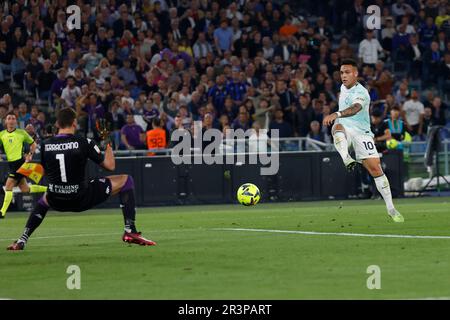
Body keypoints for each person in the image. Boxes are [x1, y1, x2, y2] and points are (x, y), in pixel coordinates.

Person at [7, 108, 156, 250]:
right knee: (126, 180)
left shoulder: (45, 145)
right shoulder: (84, 142)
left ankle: (22, 239)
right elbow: (110, 166)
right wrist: (107, 140)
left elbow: (38, 173)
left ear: (57, 124)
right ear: (74, 123)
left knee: (45, 198)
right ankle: (130, 230)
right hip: (81, 197)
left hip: (57, 200)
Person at [323, 59, 404, 222]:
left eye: (347, 72)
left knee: (376, 169)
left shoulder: (362, 93)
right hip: (346, 128)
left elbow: (355, 109)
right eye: (341, 73)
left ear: (355, 74)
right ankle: (346, 158)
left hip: (362, 133)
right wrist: (338, 118)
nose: (343, 76)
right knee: (337, 128)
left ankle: (391, 209)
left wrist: (337, 114)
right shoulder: (342, 87)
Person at [0, 112, 48, 218]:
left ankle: (2, 212)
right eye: (9, 118)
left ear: (16, 122)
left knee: (8, 186)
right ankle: (48, 189)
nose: (11, 120)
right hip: (11, 164)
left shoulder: (21, 133)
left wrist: (30, 155)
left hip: (20, 163)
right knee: (25, 189)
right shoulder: (2, 134)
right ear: (5, 121)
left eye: (13, 118)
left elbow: (33, 144)